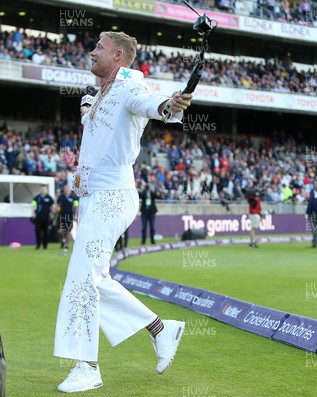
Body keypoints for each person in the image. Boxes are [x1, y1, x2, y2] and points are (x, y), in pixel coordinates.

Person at [54, 31, 192, 393]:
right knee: (93, 277)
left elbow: (152, 105)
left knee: (82, 277)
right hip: (94, 197)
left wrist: (169, 106)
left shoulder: (130, 86)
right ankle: (160, 329)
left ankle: (88, 366)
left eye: (99, 47)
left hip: (113, 196)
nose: (92, 51)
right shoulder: (101, 93)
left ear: (117, 56)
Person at [56, 184, 79, 255]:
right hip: (61, 216)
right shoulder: (61, 197)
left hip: (70, 216)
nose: (66, 189)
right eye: (65, 188)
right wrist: (57, 210)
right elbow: (58, 206)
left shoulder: (73, 197)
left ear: (69, 189)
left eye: (67, 188)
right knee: (60, 231)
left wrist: (76, 215)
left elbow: (76, 207)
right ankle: (63, 239)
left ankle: (66, 244)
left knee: (68, 231)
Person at [31, 185, 54, 250]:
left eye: (44, 189)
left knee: (46, 232)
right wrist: (33, 213)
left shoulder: (49, 198)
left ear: (46, 190)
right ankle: (38, 245)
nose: (43, 190)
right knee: (37, 231)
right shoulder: (36, 197)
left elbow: (52, 206)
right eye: (41, 189)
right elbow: (33, 205)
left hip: (46, 217)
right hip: (38, 217)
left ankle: (45, 245)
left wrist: (52, 214)